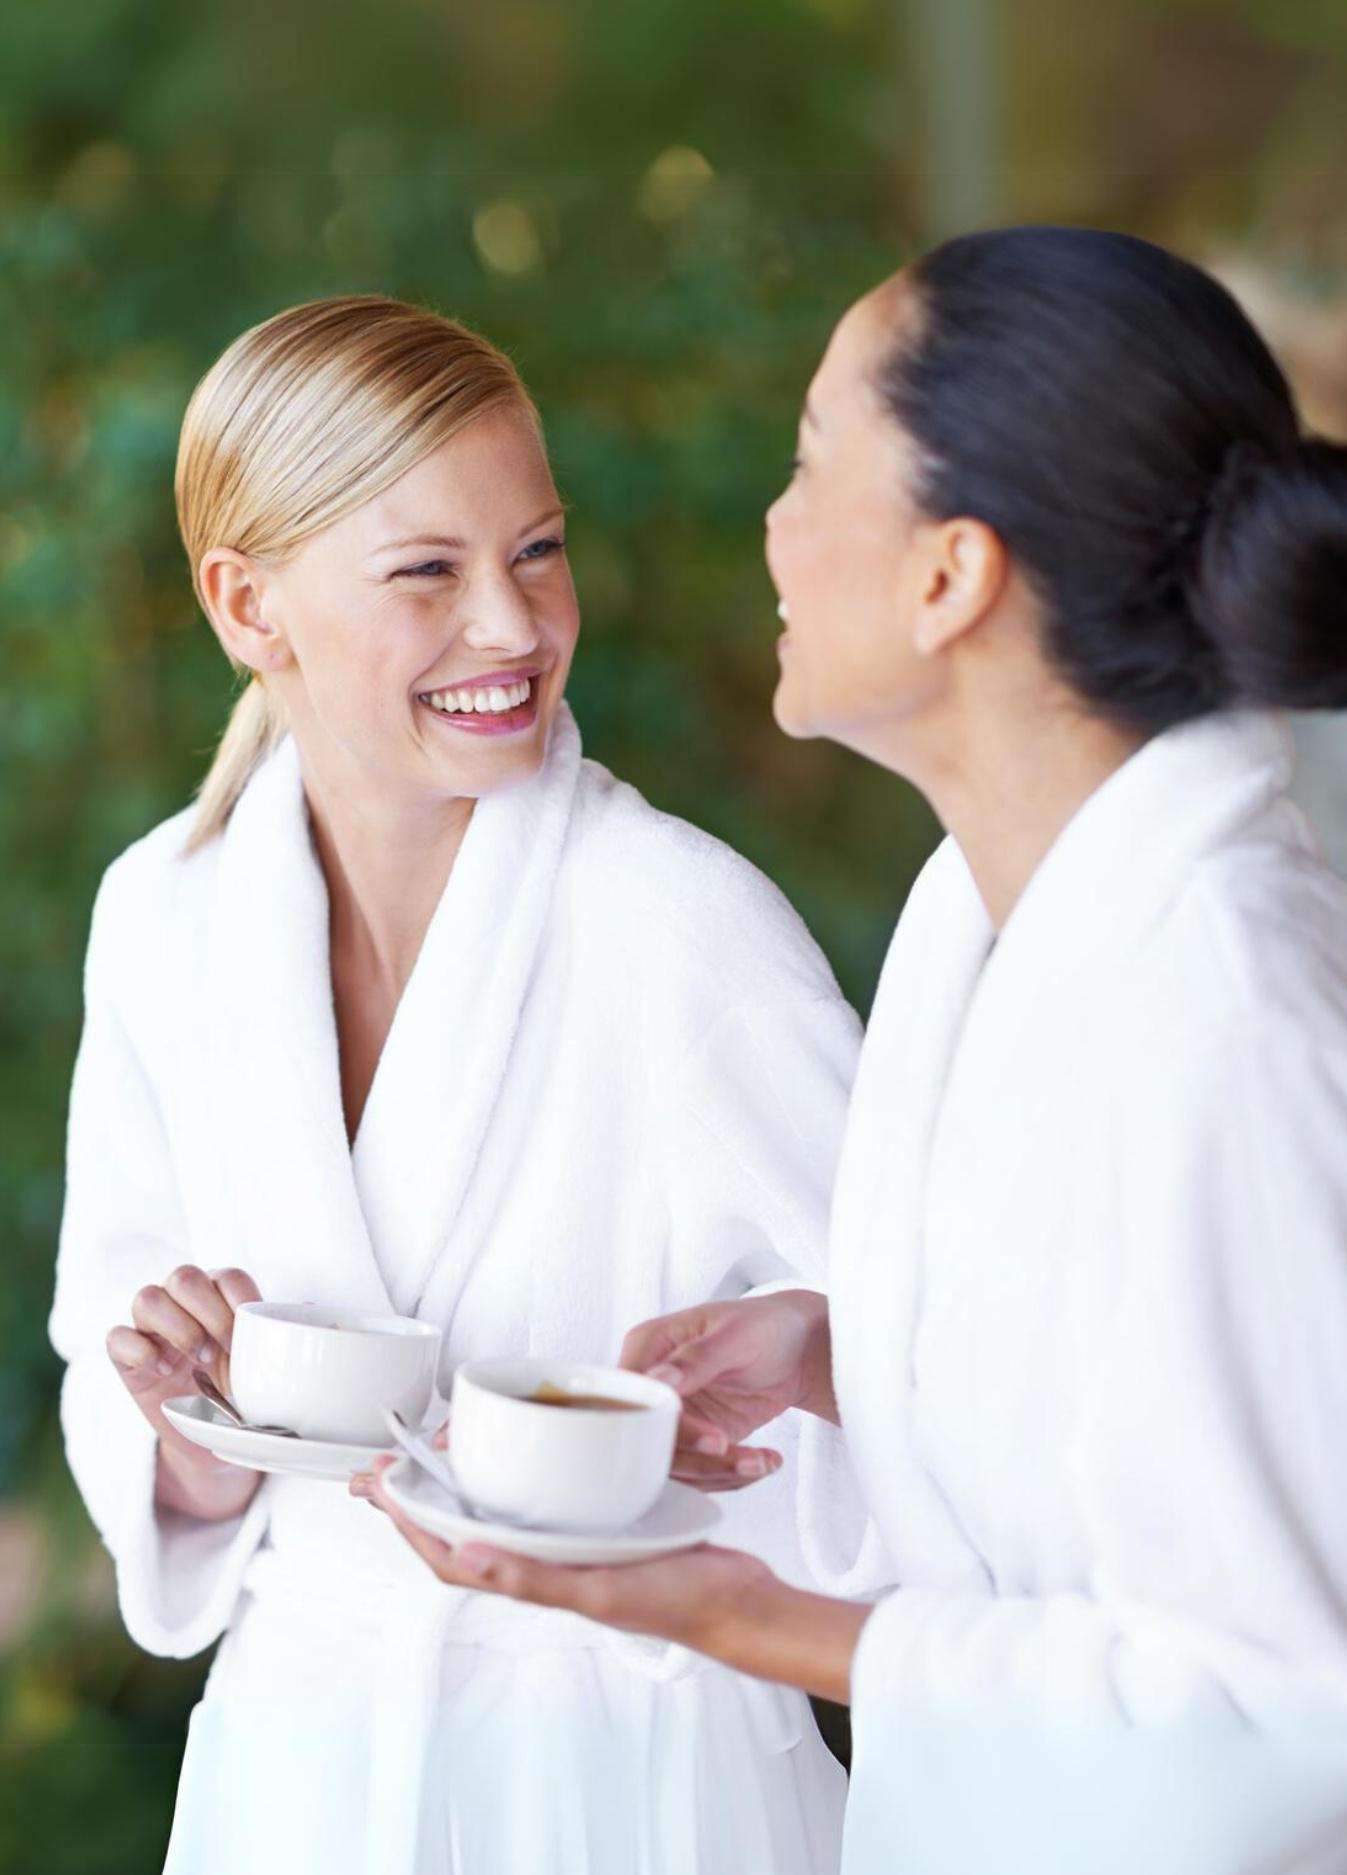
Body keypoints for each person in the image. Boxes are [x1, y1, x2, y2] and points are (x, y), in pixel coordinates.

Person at [365, 229, 1347, 1874]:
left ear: (953, 574)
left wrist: (755, 1621)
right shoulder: (987, 919)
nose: (776, 523)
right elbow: (1104, 1448)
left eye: (816, 459)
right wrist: (852, 1359)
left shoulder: (1238, 1010)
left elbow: (1294, 1706)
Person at [49, 294, 877, 1875]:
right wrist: (194, 1431)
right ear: (247, 604)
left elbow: (942, 1380)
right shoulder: (163, 917)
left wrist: (764, 1401)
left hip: (634, 1775)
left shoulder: (675, 923)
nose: (513, 628)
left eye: (539, 551)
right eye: (428, 572)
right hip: (296, 1766)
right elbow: (107, 1327)